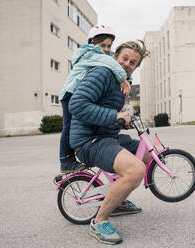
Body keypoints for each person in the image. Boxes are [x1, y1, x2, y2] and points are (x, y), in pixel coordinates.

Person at [69, 40, 150, 245]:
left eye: (133, 62)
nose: (127, 64)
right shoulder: (103, 73)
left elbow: (107, 115)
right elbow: (77, 105)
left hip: (107, 137)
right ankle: (99, 221)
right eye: (124, 58)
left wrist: (123, 121)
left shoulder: (120, 82)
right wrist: (115, 116)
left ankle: (118, 201)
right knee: (135, 170)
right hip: (89, 140)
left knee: (148, 152)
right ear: (115, 57)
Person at [58, 25, 131, 173]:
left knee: (71, 126)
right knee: (68, 127)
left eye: (109, 45)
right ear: (92, 43)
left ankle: (70, 158)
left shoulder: (101, 57)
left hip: (76, 91)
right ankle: (65, 160)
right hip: (70, 94)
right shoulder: (89, 53)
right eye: (102, 45)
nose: (106, 48)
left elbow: (111, 65)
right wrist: (124, 79)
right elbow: (112, 64)